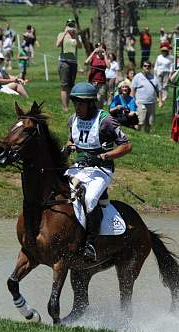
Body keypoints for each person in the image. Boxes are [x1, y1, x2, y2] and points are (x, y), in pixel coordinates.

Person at [64, 82, 132, 261]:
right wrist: (68, 148)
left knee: (89, 198)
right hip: (79, 167)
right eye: (75, 103)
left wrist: (103, 157)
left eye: (80, 103)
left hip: (101, 169)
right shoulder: (73, 119)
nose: (77, 107)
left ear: (91, 103)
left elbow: (126, 146)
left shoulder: (106, 121)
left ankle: (91, 244)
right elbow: (71, 140)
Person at [56, 19, 82, 112]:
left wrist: (76, 36)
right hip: (64, 62)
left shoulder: (76, 36)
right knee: (64, 85)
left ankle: (69, 105)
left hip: (73, 62)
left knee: (71, 85)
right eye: (69, 26)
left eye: (72, 26)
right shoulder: (61, 34)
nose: (71, 28)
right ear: (66, 26)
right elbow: (58, 44)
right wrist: (65, 32)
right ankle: (65, 107)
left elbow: (79, 46)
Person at [131, 61, 162, 133]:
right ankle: (136, 134)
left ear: (151, 67)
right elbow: (133, 90)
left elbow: (159, 90)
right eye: (145, 66)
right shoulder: (137, 77)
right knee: (140, 121)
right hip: (140, 102)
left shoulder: (154, 77)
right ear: (142, 67)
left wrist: (160, 100)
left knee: (150, 122)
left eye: (148, 66)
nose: (147, 67)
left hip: (151, 103)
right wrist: (132, 102)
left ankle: (147, 135)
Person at [85, 42, 109, 107]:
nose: (99, 50)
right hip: (93, 80)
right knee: (93, 97)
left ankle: (99, 110)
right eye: (98, 48)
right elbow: (86, 62)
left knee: (100, 98)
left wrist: (105, 55)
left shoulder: (105, 58)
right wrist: (93, 52)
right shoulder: (94, 56)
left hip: (102, 81)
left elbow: (108, 66)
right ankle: (93, 110)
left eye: (101, 48)